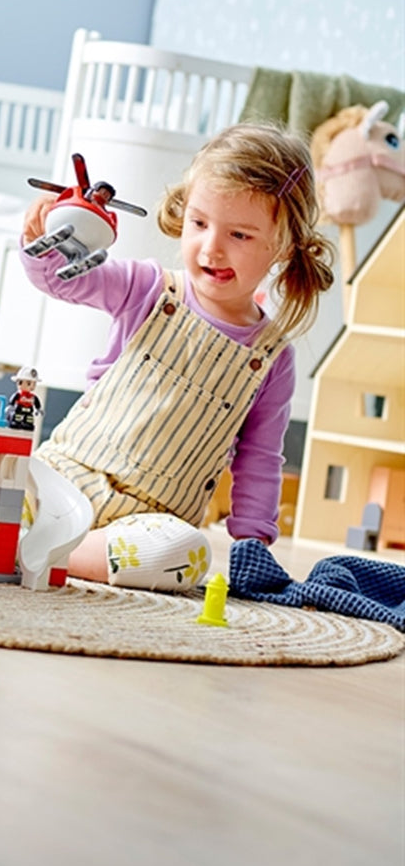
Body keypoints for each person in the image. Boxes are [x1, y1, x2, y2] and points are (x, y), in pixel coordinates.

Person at [21, 124, 335, 590]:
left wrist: (253, 542)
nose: (212, 248)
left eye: (240, 235)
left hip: (146, 526)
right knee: (3, 489)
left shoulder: (271, 359)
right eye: (199, 223)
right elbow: (63, 280)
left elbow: (260, 458)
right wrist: (41, 241)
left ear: (283, 246)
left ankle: (41, 551)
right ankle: (40, 541)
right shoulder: (147, 288)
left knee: (189, 555)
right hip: (63, 482)